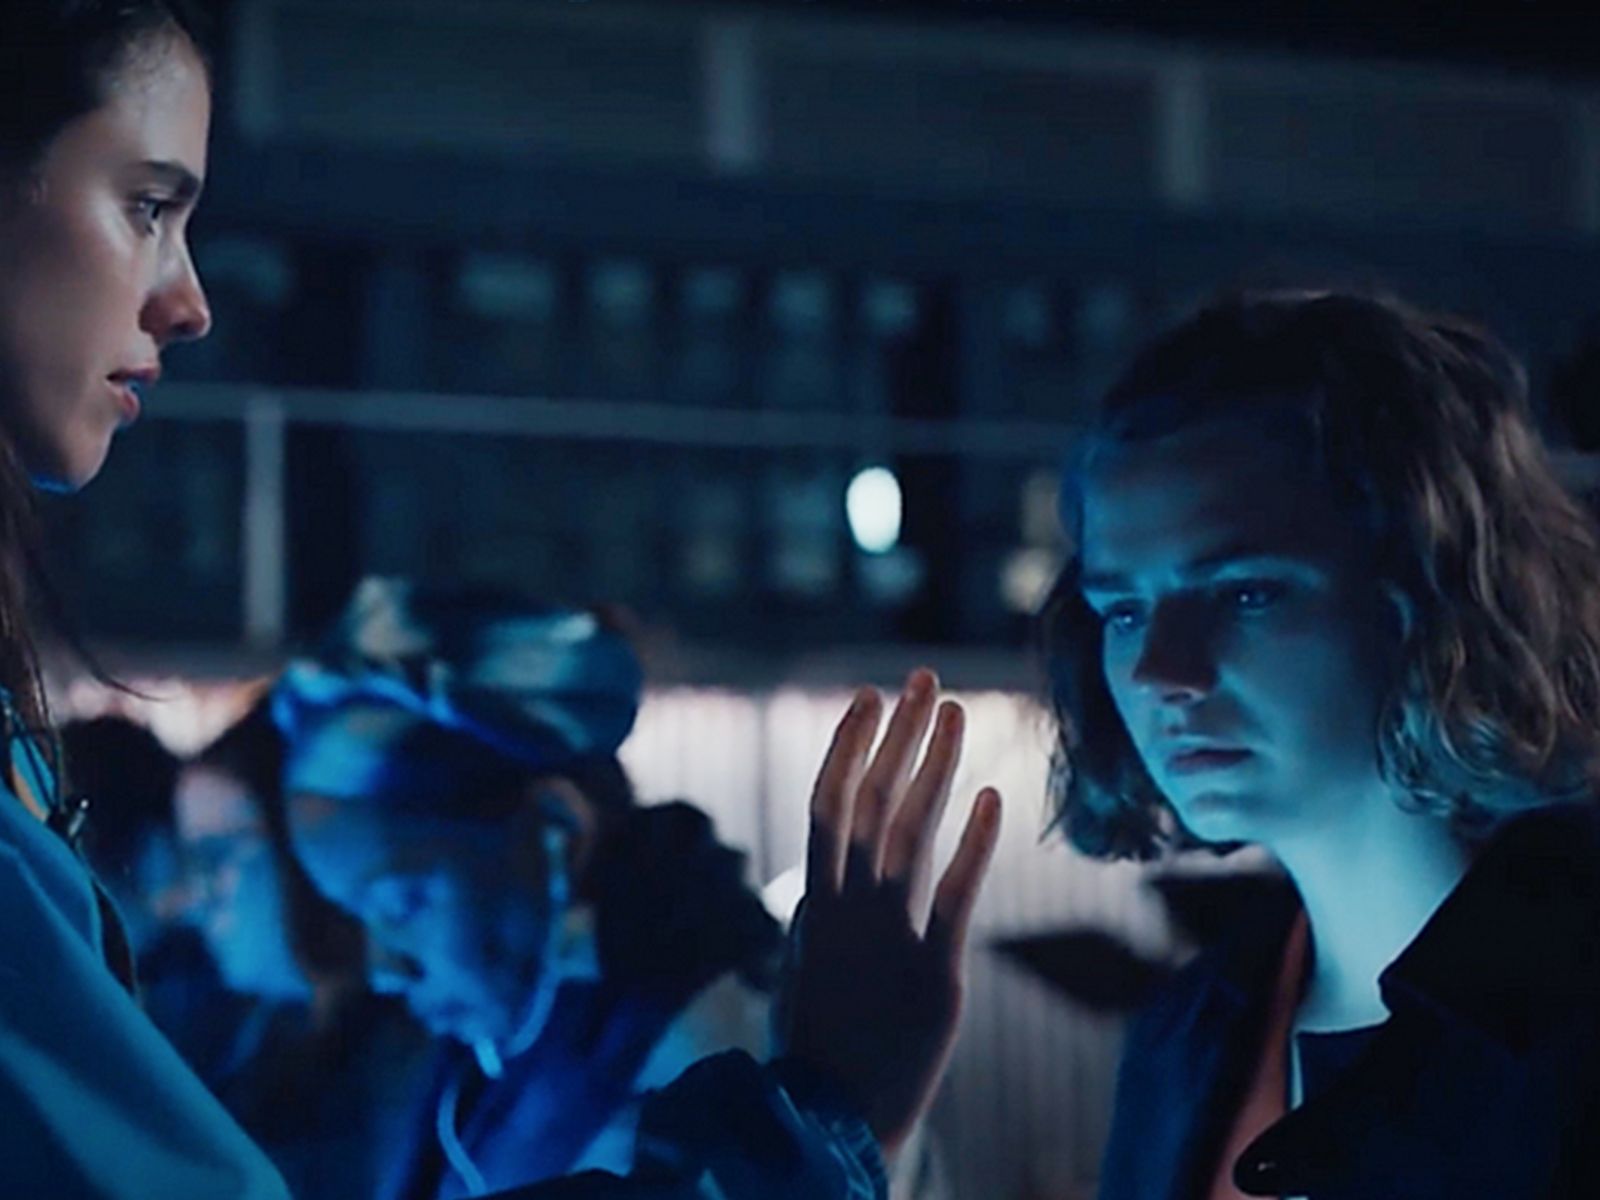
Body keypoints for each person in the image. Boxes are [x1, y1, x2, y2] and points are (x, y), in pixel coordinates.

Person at [0, 1, 1002, 1190]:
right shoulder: (522, 1068)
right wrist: (815, 1129)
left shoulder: (652, 1047)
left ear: (546, 843)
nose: (190, 302)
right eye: (146, 206)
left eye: (404, 900)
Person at [1043, 289, 1600, 1198]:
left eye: (1246, 593)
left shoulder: (1571, 1034)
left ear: (1426, 590)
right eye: (1124, 610)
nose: (1159, 670)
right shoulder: (1185, 1038)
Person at [275, 579, 802, 1195]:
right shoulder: (504, 1047)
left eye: (403, 903)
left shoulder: (718, 1055)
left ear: (560, 827)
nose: (386, 968)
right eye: (358, 916)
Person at [177, 697, 429, 1200]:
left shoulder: (409, 1060)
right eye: (194, 860)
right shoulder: (259, 1031)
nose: (197, 896)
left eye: (219, 854)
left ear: (301, 854)